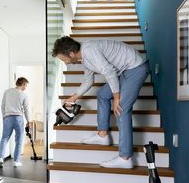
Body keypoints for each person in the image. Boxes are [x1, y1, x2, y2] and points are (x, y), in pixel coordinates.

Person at [52, 36, 148, 169]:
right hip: (124, 71)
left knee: (121, 109)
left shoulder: (89, 50)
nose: (64, 62)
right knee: (102, 94)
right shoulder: (85, 57)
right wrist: (73, 97)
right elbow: (88, 81)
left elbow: (109, 72)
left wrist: (116, 98)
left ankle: (125, 157)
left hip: (135, 68)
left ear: (71, 54)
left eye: (63, 59)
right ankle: (103, 135)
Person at [0, 77, 32, 168]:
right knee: (19, 140)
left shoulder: (7, 92)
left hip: (8, 117)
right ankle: (16, 161)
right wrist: (29, 121)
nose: (26, 87)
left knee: (4, 138)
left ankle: (0, 158)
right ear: (23, 84)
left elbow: (2, 106)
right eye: (26, 85)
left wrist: (4, 117)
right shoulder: (24, 95)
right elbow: (27, 109)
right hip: (18, 118)